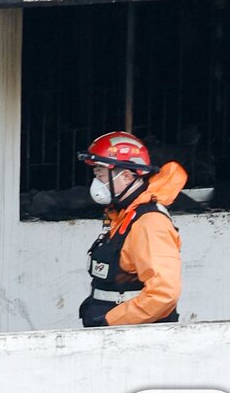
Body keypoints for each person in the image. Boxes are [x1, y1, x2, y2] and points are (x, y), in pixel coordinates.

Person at [77, 132, 186, 327]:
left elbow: (164, 293)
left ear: (126, 176)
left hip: (134, 335)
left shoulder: (149, 222)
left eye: (100, 175)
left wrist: (110, 321)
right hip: (118, 332)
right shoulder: (125, 216)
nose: (97, 182)